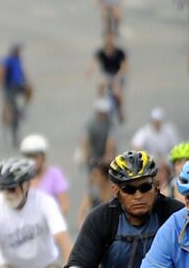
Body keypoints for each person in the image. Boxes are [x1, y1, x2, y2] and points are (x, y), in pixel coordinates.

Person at [76, 98, 117, 227]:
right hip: (94, 157)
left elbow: (111, 142)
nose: (103, 116)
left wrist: (108, 157)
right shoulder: (90, 123)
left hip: (105, 158)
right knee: (92, 182)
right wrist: (87, 158)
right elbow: (85, 142)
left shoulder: (110, 123)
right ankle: (92, 201)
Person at [131, 108, 182, 195]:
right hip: (152, 158)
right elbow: (136, 145)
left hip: (166, 158)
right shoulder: (145, 131)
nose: (157, 123)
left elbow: (177, 146)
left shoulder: (169, 130)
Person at [21, 133, 71, 219]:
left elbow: (64, 204)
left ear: (43, 157)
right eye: (28, 157)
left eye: (35, 157)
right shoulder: (19, 177)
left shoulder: (55, 174)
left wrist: (54, 222)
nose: (32, 161)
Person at [0, 44, 32, 142]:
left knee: (30, 90)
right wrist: (1, 88)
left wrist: (26, 82)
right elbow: (0, 73)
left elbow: (21, 73)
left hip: (18, 86)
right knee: (8, 108)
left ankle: (24, 108)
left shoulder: (17, 60)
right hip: (9, 88)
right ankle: (6, 130)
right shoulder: (7, 60)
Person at [89, 31, 127, 123]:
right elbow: (94, 63)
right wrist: (90, 71)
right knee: (101, 86)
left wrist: (118, 76)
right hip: (106, 74)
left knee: (117, 92)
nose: (109, 40)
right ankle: (100, 107)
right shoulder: (101, 51)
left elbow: (124, 66)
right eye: (107, 38)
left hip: (117, 74)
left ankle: (120, 111)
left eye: (111, 38)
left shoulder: (119, 52)